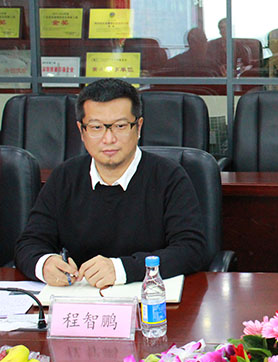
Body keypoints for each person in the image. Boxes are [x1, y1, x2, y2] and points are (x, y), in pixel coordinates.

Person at [15, 78, 207, 287]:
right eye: (96, 127)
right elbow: (29, 243)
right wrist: (44, 264)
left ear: (138, 127)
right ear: (82, 131)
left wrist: (122, 269)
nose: (108, 139)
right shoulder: (64, 177)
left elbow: (191, 250)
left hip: (149, 299)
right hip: (80, 297)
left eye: (120, 126)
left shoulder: (169, 177)